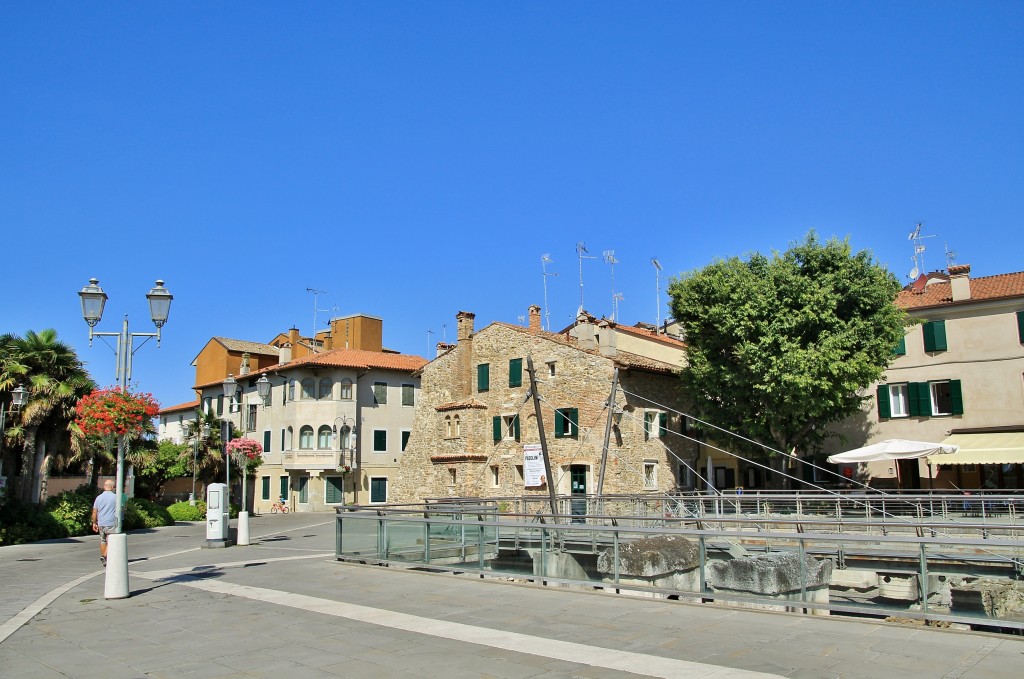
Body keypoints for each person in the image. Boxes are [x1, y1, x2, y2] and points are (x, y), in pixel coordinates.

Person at [91, 480, 117, 567]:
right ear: (112, 487)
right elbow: (121, 510)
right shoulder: (116, 497)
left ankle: (105, 560)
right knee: (110, 540)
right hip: (111, 523)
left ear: (104, 487)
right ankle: (105, 556)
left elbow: (94, 512)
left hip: (101, 523)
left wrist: (94, 522)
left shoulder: (98, 498)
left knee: (103, 540)